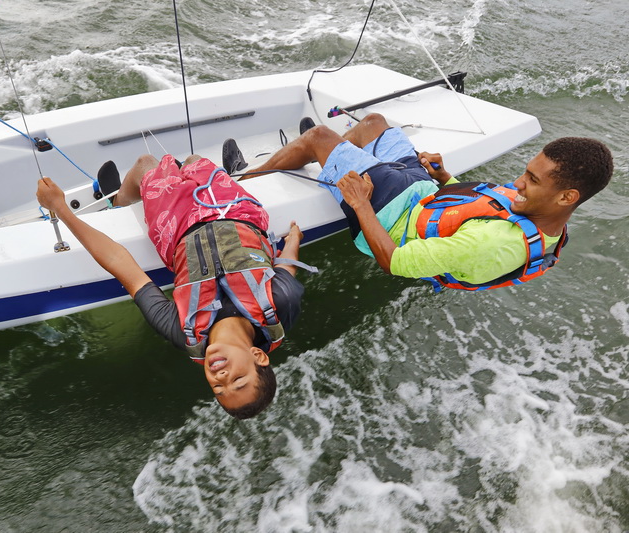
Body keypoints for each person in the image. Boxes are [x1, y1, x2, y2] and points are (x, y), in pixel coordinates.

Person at [36, 153, 308, 419]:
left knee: (145, 163)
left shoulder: (183, 329)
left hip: (177, 228)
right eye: (238, 379)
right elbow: (286, 268)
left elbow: (121, 264)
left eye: (217, 388)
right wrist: (294, 238)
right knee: (194, 160)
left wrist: (60, 208)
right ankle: (183, 172)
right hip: (237, 212)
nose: (222, 377)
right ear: (258, 356)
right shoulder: (279, 302)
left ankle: (118, 202)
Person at [234, 113, 613, 291]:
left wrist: (361, 204)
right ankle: (332, 152)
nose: (517, 183)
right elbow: (480, 212)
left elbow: (394, 263)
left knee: (318, 135)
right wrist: (447, 179)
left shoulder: (493, 247)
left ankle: (248, 176)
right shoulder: (544, 213)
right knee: (376, 123)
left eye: (531, 180)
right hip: (426, 192)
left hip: (389, 215)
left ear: (567, 196)